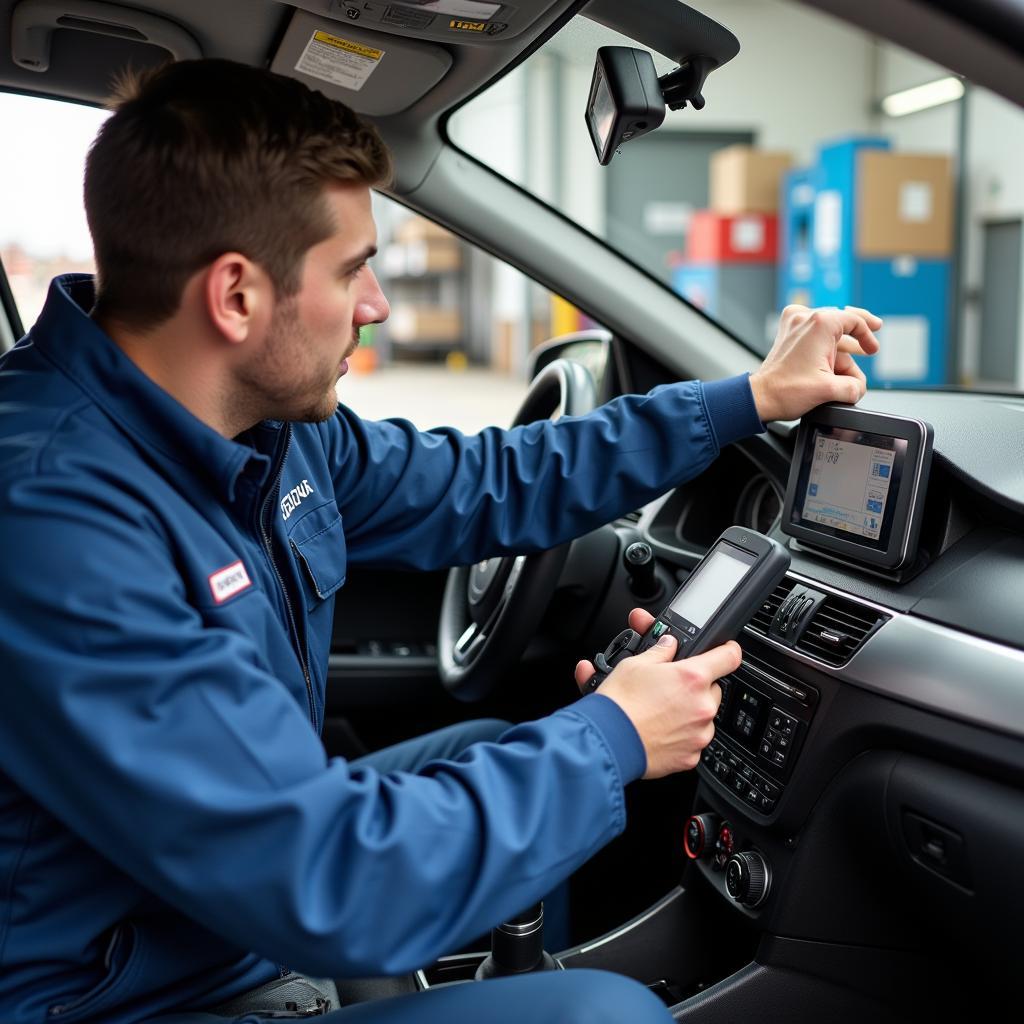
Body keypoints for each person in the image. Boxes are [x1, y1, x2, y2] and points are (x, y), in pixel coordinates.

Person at [0, 58, 881, 1024]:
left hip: (206, 913)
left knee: (493, 748)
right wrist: (614, 736)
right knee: (608, 1019)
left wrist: (746, 399)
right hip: (121, 998)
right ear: (237, 297)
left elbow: (487, 482)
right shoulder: (56, 520)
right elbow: (328, 877)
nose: (375, 303)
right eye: (351, 269)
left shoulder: (263, 432)